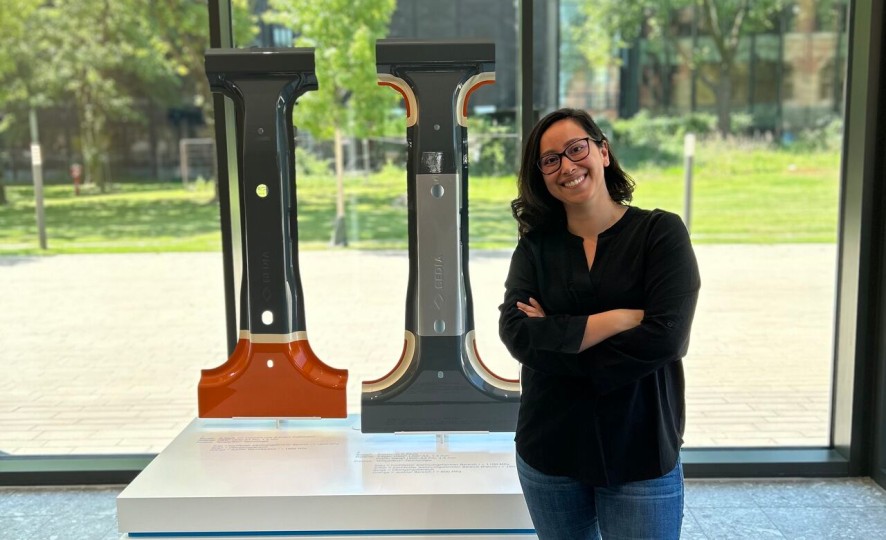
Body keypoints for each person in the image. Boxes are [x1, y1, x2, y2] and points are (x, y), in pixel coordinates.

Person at [499, 108, 701, 540]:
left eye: (576, 149)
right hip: (549, 448)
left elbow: (666, 336)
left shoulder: (660, 233)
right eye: (550, 160)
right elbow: (517, 334)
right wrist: (617, 319)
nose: (566, 167)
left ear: (603, 152)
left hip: (640, 450)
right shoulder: (535, 247)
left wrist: (558, 334)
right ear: (541, 175)